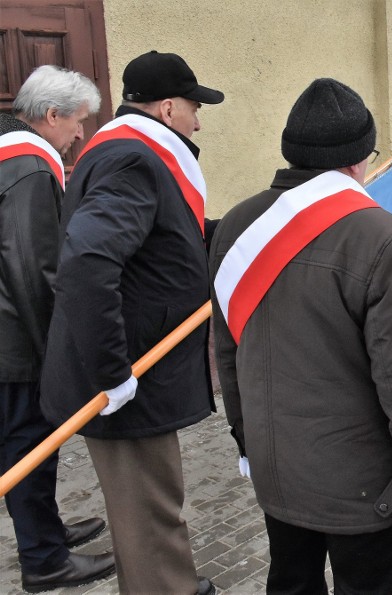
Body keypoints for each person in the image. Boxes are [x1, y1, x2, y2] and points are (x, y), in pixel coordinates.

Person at [210, 78, 392, 593]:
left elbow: (229, 356)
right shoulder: (384, 238)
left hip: (276, 470)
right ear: (358, 159)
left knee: (291, 581)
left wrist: (246, 443)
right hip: (363, 486)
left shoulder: (235, 225)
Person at [39, 51, 223, 595]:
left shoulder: (124, 152)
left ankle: (168, 581)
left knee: (144, 506)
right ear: (167, 108)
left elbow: (160, 236)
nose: (198, 119)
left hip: (134, 363)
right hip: (127, 373)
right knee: (149, 508)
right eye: (193, 107)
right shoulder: (134, 160)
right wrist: (112, 371)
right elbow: (88, 262)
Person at [0, 65, 116, 593]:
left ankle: (47, 530)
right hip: (14, 342)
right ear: (51, 116)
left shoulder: (12, 150)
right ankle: (44, 560)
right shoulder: (28, 165)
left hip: (8, 334)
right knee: (29, 446)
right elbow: (31, 266)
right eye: (77, 124)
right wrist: (57, 348)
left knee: (28, 443)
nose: (80, 136)